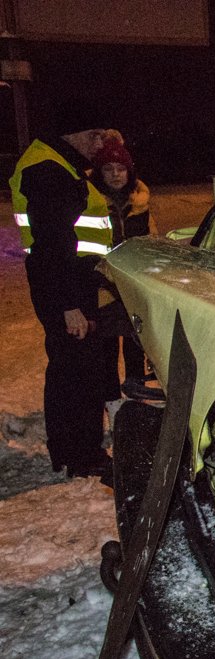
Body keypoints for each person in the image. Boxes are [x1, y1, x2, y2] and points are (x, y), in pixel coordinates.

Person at [9, 107, 114, 485]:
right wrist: (69, 305)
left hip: (73, 285)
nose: (100, 143)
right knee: (77, 373)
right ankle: (82, 455)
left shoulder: (60, 164)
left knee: (74, 369)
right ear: (72, 133)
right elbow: (52, 246)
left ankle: (73, 451)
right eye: (95, 134)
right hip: (67, 289)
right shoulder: (48, 170)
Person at [90, 136, 159, 400]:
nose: (116, 174)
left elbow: (152, 243)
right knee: (106, 352)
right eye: (108, 169)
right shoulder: (90, 202)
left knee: (135, 347)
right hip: (102, 289)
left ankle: (136, 399)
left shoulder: (141, 203)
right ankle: (112, 403)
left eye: (121, 168)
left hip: (133, 287)